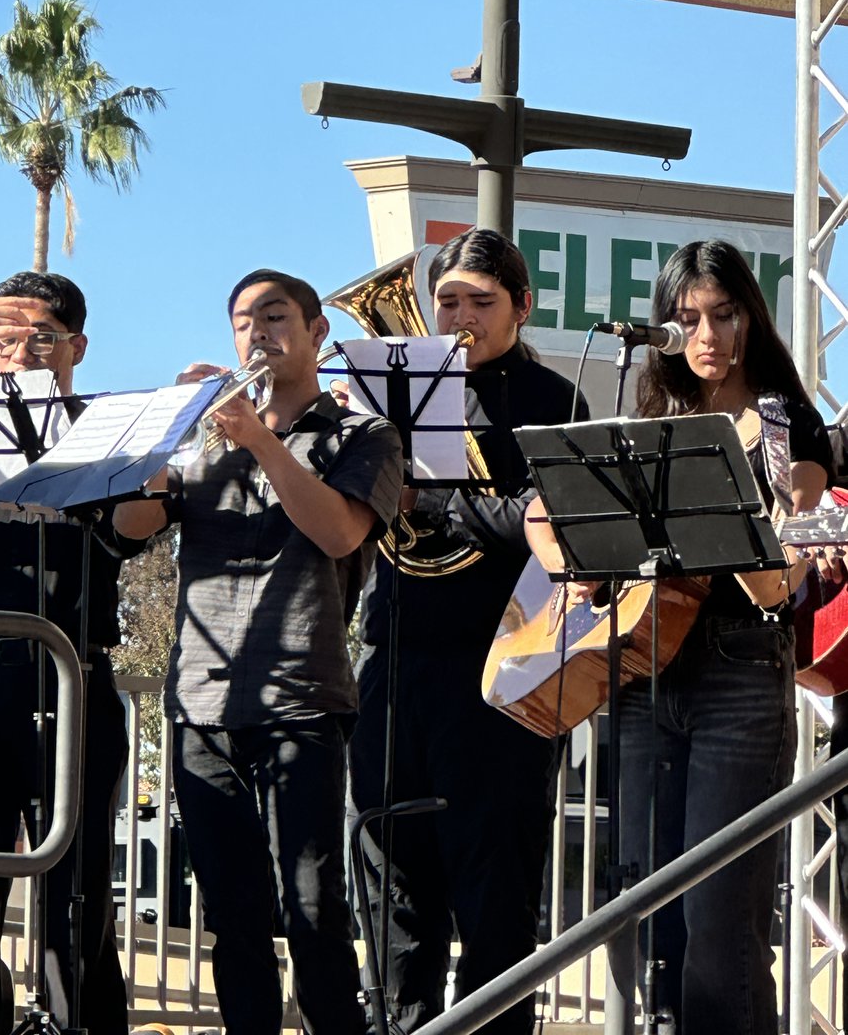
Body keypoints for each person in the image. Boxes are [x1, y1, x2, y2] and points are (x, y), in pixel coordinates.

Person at [527, 239, 832, 1034]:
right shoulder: (647, 414)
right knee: (640, 914)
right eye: (687, 318)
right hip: (640, 671)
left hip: (739, 671)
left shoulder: (783, 418)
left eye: (723, 314)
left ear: (749, 319)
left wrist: (789, 545)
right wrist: (582, 562)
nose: (706, 335)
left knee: (718, 926)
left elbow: (790, 558)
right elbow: (556, 518)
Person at [112, 268, 404, 1035]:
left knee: (312, 907)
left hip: (301, 699)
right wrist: (165, 437)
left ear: (317, 334)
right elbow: (134, 527)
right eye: (242, 322)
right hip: (200, 700)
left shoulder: (361, 434)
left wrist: (264, 441)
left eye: (275, 317)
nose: (257, 333)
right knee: (231, 914)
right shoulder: (210, 432)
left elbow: (341, 533)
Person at [348, 227, 589, 1035]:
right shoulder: (398, 390)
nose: (459, 316)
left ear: (521, 306)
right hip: (396, 652)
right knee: (389, 883)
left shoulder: (556, 403)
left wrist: (434, 497)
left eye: (480, 302)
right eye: (446, 300)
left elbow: (540, 522)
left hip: (503, 669)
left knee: (495, 890)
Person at [0, 272, 149, 1035]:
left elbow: (135, 533)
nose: (23, 352)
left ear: (77, 349)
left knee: (79, 894)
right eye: (5, 337)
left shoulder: (110, 430)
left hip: (74, 682)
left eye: (42, 336)